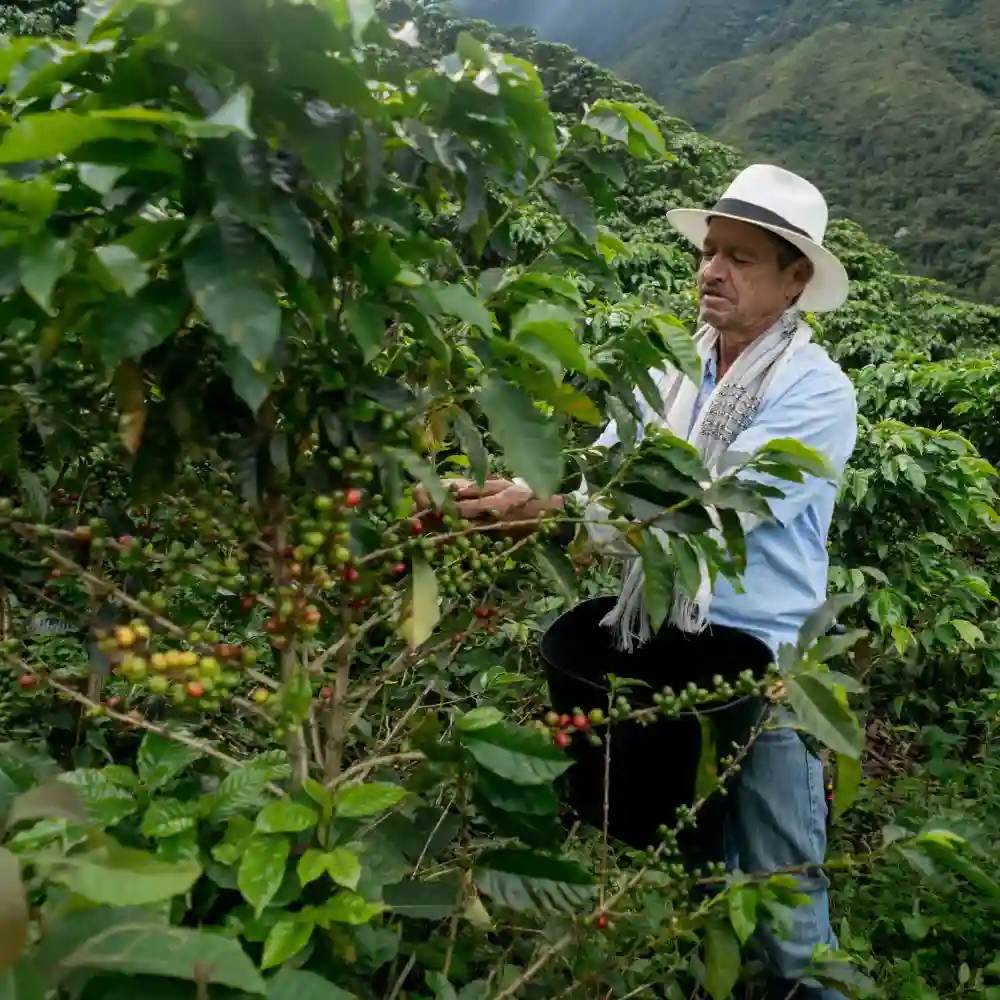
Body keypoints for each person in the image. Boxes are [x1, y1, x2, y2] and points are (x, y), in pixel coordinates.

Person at [428, 164, 858, 999]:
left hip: (765, 668)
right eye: (710, 252)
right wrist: (519, 488)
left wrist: (553, 512)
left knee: (786, 890)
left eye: (741, 258)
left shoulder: (817, 393)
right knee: (699, 863)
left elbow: (715, 508)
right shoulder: (672, 370)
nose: (712, 272)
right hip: (671, 645)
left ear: (795, 279)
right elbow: (606, 467)